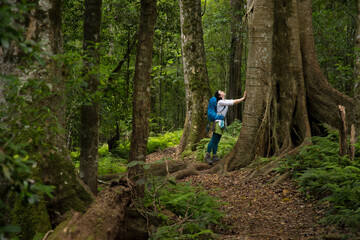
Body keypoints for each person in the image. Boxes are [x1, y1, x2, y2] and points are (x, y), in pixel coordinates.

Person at [205, 90, 247, 165]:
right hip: (218, 122)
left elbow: (230, 101)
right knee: (214, 139)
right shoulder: (220, 102)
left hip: (220, 123)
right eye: (220, 91)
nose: (222, 91)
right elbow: (233, 102)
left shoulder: (223, 101)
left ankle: (214, 156)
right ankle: (207, 155)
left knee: (217, 140)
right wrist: (243, 98)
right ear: (219, 95)